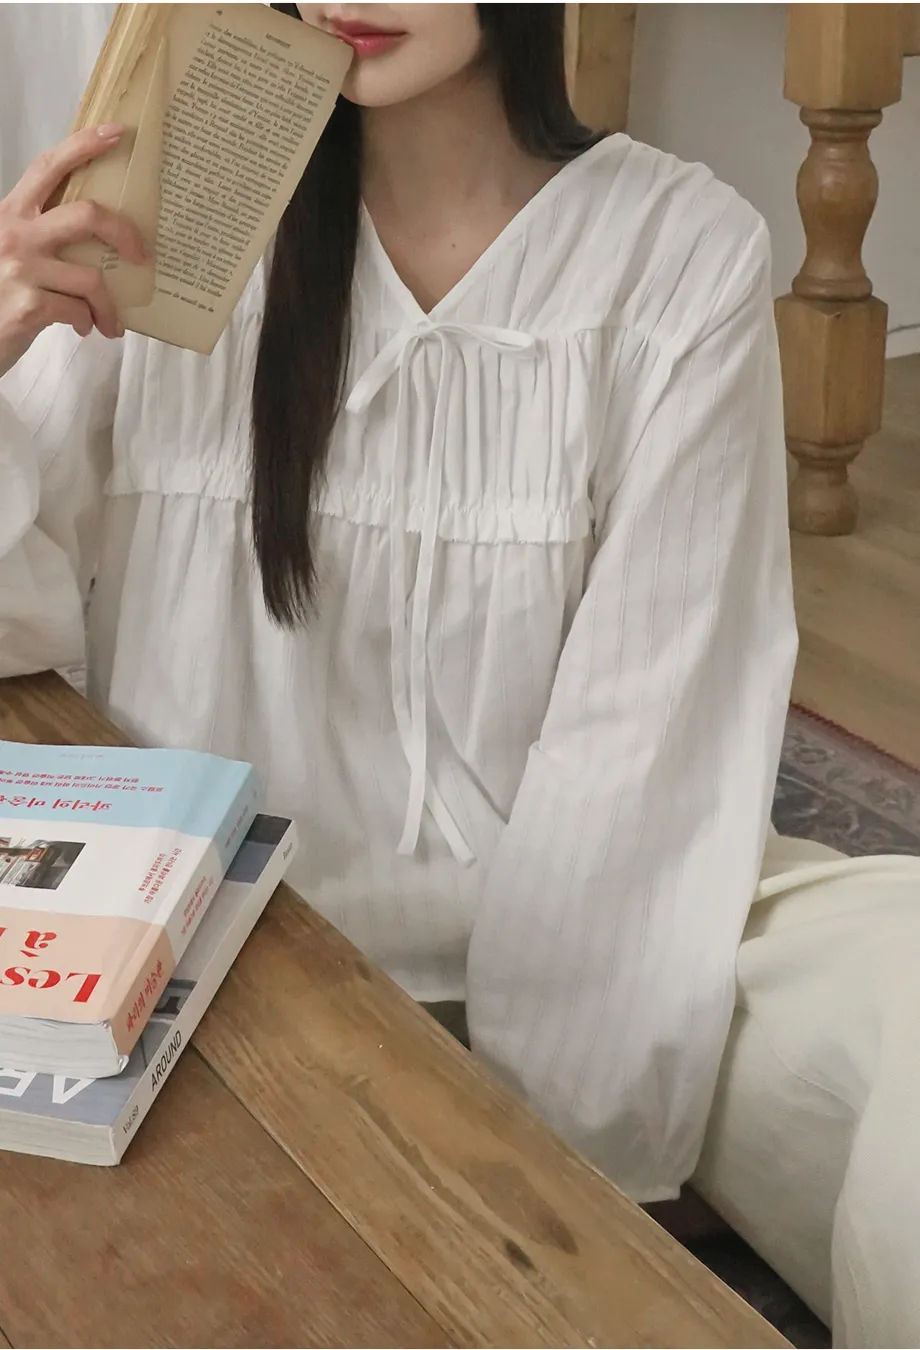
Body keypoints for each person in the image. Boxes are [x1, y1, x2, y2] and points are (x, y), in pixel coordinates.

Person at [0, 6, 916, 1343]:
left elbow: (650, 734)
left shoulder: (678, 250)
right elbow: (20, 632)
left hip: (603, 928)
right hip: (212, 946)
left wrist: (540, 1156)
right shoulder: (181, 207)